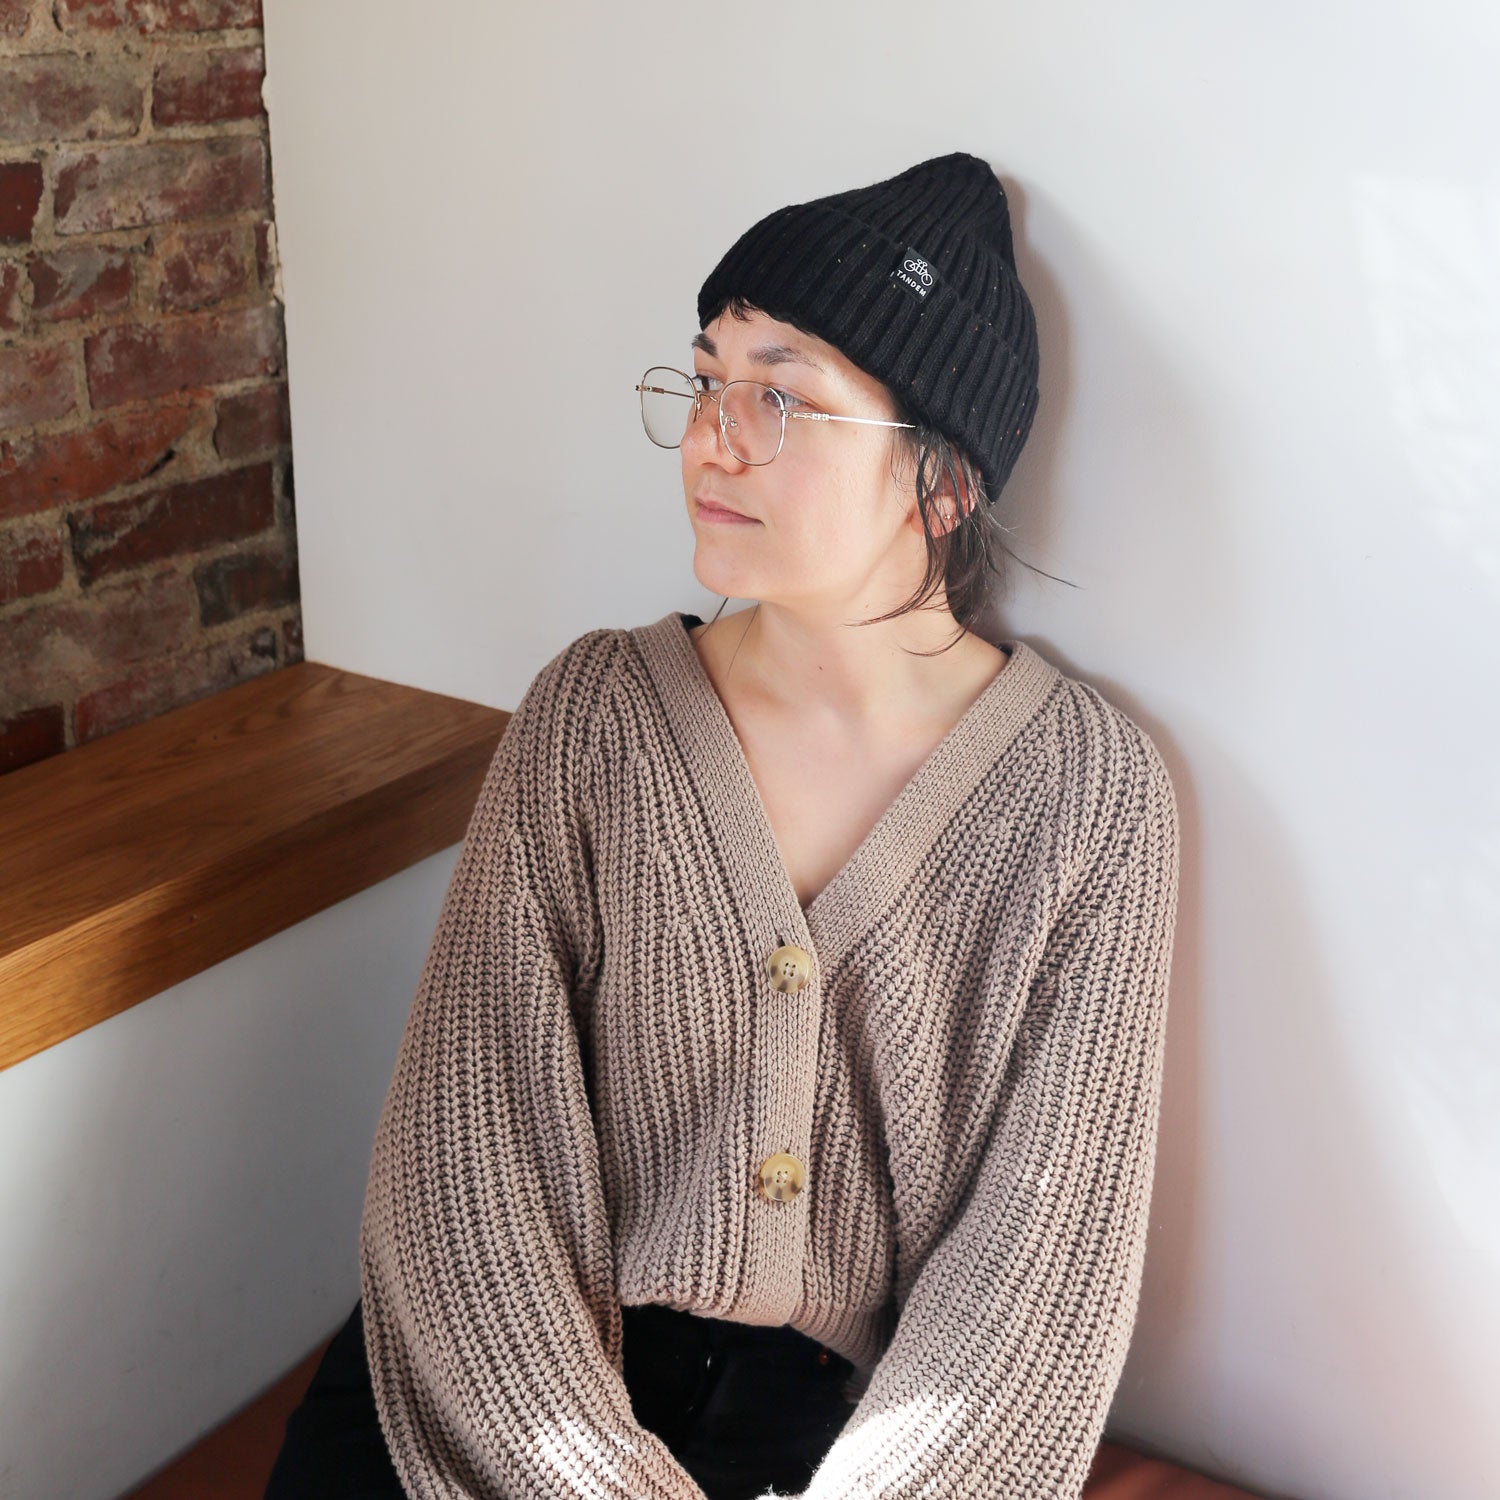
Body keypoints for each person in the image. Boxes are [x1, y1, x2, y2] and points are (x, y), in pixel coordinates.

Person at [265, 152, 1181, 1499]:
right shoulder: (594, 716)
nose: (714, 436)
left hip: (829, 1432)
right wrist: (590, 1476)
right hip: (509, 1381)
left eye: (783, 398)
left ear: (944, 483)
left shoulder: (1090, 799)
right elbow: (466, 1164)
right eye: (705, 382)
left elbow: (1037, 1290)